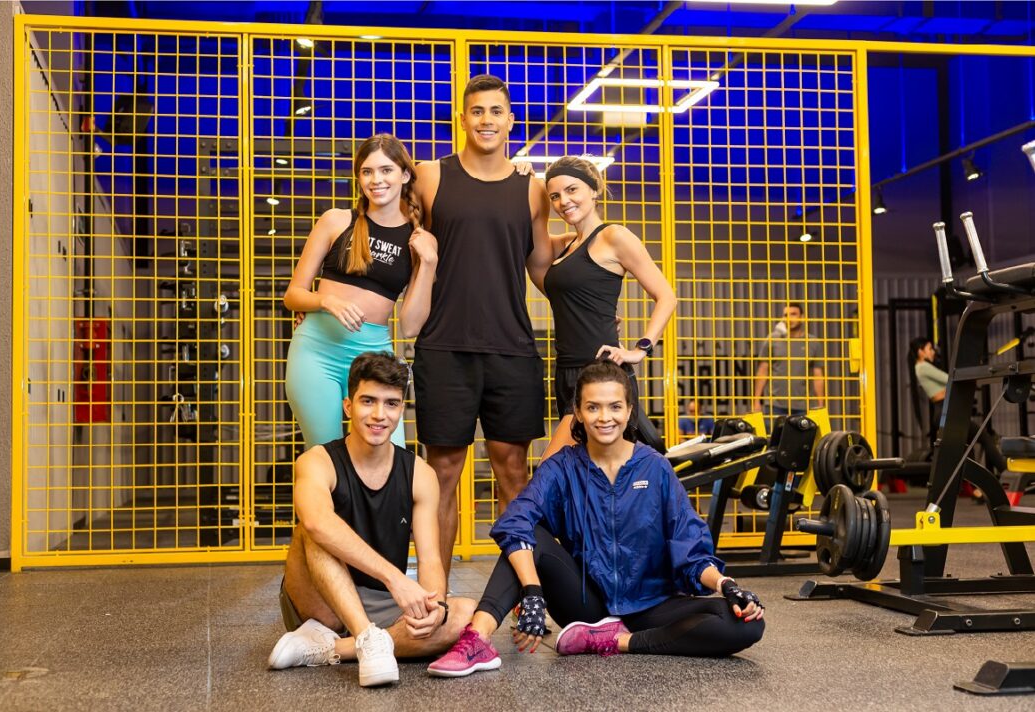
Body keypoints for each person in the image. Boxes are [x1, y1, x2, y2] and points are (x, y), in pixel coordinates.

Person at [426, 360, 764, 678]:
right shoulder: (562, 467)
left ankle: (618, 642)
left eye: (615, 407)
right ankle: (477, 640)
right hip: (587, 607)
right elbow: (515, 521)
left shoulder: (655, 467)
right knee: (531, 534)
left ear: (629, 410)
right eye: (593, 407)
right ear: (578, 412)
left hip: (651, 606)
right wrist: (532, 592)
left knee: (745, 623)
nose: (605, 417)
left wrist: (726, 585)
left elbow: (689, 547)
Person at [411, 74, 553, 573]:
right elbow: (393, 236)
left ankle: (522, 593)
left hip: (511, 347)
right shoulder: (431, 176)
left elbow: (540, 267)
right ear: (463, 119)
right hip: (444, 347)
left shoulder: (532, 189)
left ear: (511, 121)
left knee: (513, 472)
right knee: (441, 473)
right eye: (477, 111)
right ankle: (435, 593)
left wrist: (588, 303)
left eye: (496, 111)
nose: (486, 120)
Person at [268, 352, 476, 687]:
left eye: (391, 404)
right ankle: (366, 635)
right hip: (320, 600)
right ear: (348, 406)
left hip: (381, 602)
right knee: (311, 529)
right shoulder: (317, 461)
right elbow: (317, 522)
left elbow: (430, 559)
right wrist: (396, 579)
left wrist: (436, 606)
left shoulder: (420, 474)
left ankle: (333, 649)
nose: (380, 415)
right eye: (368, 401)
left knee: (463, 614)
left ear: (401, 409)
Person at [283, 133, 437, 449]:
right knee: (325, 454)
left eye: (386, 170)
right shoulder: (336, 221)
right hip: (316, 353)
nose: (376, 180)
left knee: (389, 456)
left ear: (404, 175)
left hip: (373, 355)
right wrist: (326, 301)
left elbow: (410, 326)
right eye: (367, 171)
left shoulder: (418, 240)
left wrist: (429, 262)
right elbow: (293, 295)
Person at [535, 156, 676, 460]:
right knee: (585, 474)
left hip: (599, 372)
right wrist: (522, 179)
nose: (563, 201)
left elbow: (666, 296)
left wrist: (640, 349)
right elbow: (528, 236)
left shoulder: (614, 236)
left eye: (572, 190)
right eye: (555, 196)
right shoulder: (566, 244)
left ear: (594, 189)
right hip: (566, 371)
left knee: (550, 471)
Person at [907, 337, 1006, 474]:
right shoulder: (922, 367)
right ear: (920, 352)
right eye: (930, 348)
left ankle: (974, 481)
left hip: (945, 411)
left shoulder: (920, 368)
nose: (933, 352)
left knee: (966, 447)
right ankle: (1005, 471)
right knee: (984, 438)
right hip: (946, 411)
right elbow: (948, 379)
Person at [752, 303, 824, 416]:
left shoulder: (812, 342)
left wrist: (820, 404)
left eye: (793, 314)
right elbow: (762, 371)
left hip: (803, 406)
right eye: (786, 315)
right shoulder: (772, 340)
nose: (789, 318)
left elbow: (818, 376)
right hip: (775, 405)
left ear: (802, 317)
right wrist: (756, 401)